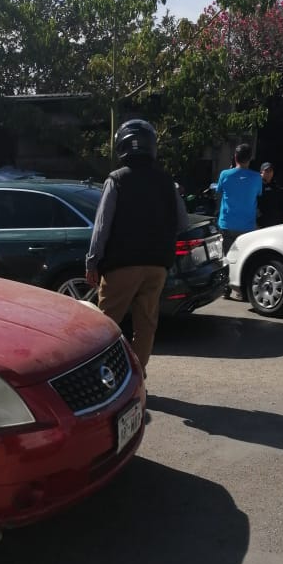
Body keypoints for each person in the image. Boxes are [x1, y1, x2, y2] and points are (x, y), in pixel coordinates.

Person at [85, 119, 179, 378]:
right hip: (157, 266)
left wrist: (92, 262)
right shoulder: (166, 181)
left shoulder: (117, 179)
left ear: (121, 146)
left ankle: (100, 379)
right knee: (145, 326)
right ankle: (136, 377)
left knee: (105, 325)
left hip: (121, 265)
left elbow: (101, 226)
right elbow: (181, 221)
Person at [216, 142, 262, 297]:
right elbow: (258, 194)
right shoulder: (257, 177)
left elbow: (219, 190)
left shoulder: (224, 174)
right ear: (250, 158)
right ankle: (241, 290)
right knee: (244, 258)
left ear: (235, 157)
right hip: (247, 226)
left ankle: (225, 288)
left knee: (226, 257)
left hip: (227, 223)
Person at [257, 162, 283, 227]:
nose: (269, 173)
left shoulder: (275, 185)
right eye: (266, 171)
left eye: (270, 171)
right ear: (261, 172)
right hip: (261, 222)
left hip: (275, 221)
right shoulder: (257, 185)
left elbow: (279, 202)